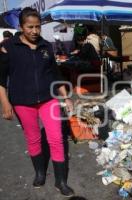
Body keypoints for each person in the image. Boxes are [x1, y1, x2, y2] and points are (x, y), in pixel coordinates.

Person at [0, 7, 74, 197]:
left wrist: (66, 97)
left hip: (48, 99)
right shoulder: (9, 47)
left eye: (38, 27)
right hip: (22, 102)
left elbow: (56, 74)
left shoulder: (46, 46)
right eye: (30, 27)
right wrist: (5, 104)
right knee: (33, 139)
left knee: (56, 138)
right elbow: (1, 79)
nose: (34, 31)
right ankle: (40, 173)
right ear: (21, 26)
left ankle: (61, 181)